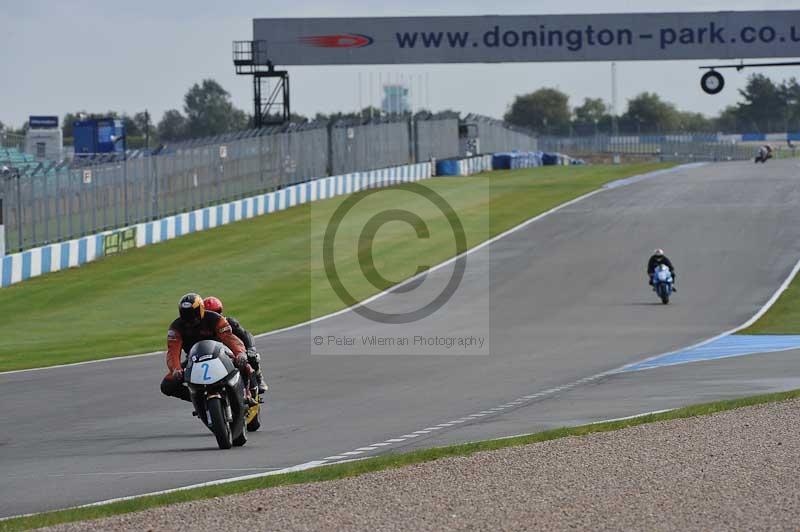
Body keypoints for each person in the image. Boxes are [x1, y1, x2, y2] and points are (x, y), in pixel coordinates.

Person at [160, 293, 252, 403]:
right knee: (167, 385)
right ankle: (198, 400)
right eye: (186, 314)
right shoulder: (176, 327)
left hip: (221, 354)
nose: (190, 318)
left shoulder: (215, 319)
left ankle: (249, 391)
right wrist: (176, 369)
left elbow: (229, 338)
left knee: (244, 364)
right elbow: (172, 352)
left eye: (192, 313)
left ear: (201, 309)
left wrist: (240, 353)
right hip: (194, 359)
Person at [203, 296, 268, 394]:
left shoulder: (229, 322)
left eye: (217, 312)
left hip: (232, 353)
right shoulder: (200, 330)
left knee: (252, 357)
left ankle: (259, 378)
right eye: (210, 313)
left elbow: (246, 335)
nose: (215, 316)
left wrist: (251, 349)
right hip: (212, 358)